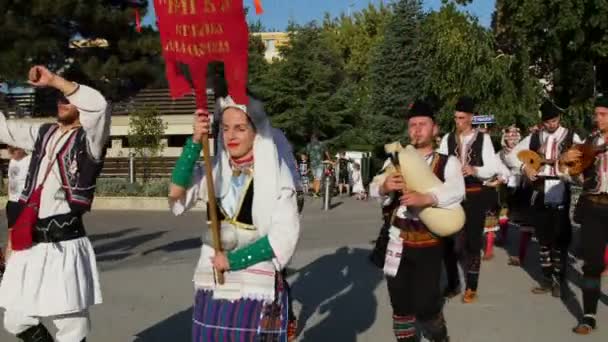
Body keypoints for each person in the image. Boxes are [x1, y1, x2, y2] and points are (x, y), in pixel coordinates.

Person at [168, 95, 300, 341]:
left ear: (256, 132)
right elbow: (175, 195)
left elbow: (283, 239)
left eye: (240, 128)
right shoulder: (214, 168)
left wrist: (233, 260)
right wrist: (195, 142)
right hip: (212, 285)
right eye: (226, 128)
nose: (231, 136)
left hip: (254, 287)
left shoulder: (277, 176)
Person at [0, 65, 109, 342]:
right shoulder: (44, 133)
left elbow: (98, 107)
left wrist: (55, 81)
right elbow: (5, 129)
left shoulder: (91, 139)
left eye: (69, 96)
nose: (63, 102)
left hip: (64, 244)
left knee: (72, 328)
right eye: (59, 97)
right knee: (16, 320)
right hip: (30, 243)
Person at [370, 99, 465, 342]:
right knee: (400, 305)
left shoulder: (447, 162)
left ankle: (440, 337)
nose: (417, 129)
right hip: (396, 243)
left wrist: (427, 197)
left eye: (423, 124)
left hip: (428, 244)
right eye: (412, 125)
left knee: (426, 305)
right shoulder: (395, 160)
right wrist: (384, 187)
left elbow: (457, 191)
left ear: (434, 129)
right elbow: (372, 188)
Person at [506, 100, 582, 297]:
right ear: (543, 122)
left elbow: (584, 158)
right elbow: (512, 156)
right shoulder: (534, 137)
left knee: (560, 234)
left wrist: (572, 170)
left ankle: (559, 278)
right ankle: (547, 279)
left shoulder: (571, 136)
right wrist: (525, 168)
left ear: (559, 118)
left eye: (554, 120)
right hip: (539, 188)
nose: (551, 124)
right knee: (543, 235)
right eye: (548, 121)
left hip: (560, 186)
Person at [438, 96, 500, 303]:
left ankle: (472, 286)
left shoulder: (483, 139)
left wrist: (475, 169)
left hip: (474, 196)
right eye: (455, 117)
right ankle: (454, 283)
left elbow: (493, 167)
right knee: (448, 241)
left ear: (471, 118)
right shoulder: (447, 139)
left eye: (462, 118)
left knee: (473, 243)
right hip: (452, 198)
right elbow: (438, 165)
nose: (458, 121)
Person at [567, 96, 608, 334]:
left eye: (603, 114)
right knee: (592, 263)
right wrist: (570, 165)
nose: (597, 118)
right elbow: (575, 174)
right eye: (596, 114)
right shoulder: (589, 141)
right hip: (593, 205)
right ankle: (589, 316)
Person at [2, 147, 32, 269]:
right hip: (12, 203)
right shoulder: (12, 160)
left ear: (21, 149)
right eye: (10, 152)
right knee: (11, 236)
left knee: (27, 235)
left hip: (24, 202)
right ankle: (7, 265)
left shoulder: (30, 160)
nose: (12, 154)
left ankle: (27, 264)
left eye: (14, 151)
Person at [306, 133, 326, 197]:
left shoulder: (309, 145)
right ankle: (315, 192)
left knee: (316, 178)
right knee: (317, 178)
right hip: (318, 163)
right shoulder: (321, 144)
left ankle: (315, 191)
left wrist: (307, 161)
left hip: (313, 164)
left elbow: (307, 154)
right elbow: (326, 152)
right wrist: (329, 159)